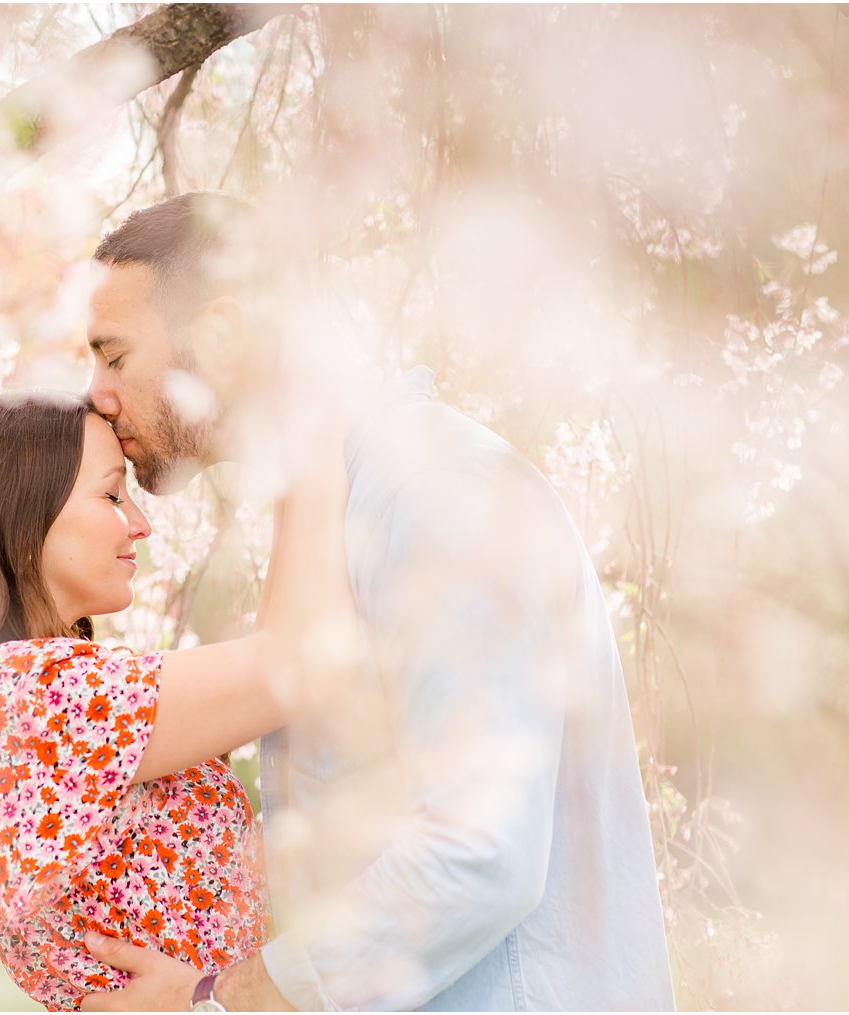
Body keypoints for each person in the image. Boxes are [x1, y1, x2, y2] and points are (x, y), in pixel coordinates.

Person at [78, 192, 675, 1011]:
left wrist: (220, 1003)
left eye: (113, 356)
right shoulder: (337, 515)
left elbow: (480, 851)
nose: (98, 395)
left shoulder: (435, 490)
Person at [0, 389, 358, 1011]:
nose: (141, 523)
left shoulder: (12, 689)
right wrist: (308, 443)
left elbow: (275, 659)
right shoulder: (21, 695)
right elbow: (296, 663)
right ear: (19, 513)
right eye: (110, 494)